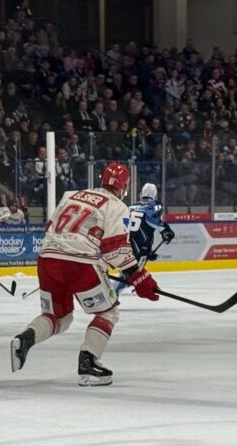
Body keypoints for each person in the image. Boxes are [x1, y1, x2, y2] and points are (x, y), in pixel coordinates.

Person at [9, 162, 160, 386]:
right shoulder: (116, 205)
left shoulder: (71, 195)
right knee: (108, 313)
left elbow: (52, 227)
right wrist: (140, 277)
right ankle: (88, 363)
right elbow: (115, 249)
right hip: (79, 263)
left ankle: (25, 338)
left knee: (59, 317)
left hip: (47, 259)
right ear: (124, 186)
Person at [116, 182, 174, 293]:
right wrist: (165, 230)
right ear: (155, 195)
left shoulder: (130, 207)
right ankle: (112, 295)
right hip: (139, 248)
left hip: (124, 244)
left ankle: (118, 289)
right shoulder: (154, 205)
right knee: (131, 275)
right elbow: (151, 219)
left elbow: (127, 225)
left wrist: (148, 251)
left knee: (127, 273)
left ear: (141, 194)